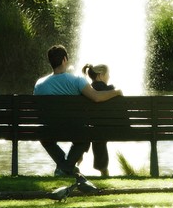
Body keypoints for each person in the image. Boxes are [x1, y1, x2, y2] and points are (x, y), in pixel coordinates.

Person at [34, 45, 122, 177]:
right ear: (64, 60)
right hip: (74, 130)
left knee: (45, 138)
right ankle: (66, 167)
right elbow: (96, 97)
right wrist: (116, 92)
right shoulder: (76, 81)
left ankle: (65, 166)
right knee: (83, 138)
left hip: (48, 130)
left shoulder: (39, 85)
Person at [82, 63, 113, 176]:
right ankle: (103, 169)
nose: (109, 77)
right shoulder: (111, 91)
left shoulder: (85, 92)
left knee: (94, 132)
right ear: (100, 76)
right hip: (112, 130)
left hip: (88, 131)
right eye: (107, 74)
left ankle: (76, 161)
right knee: (99, 133)